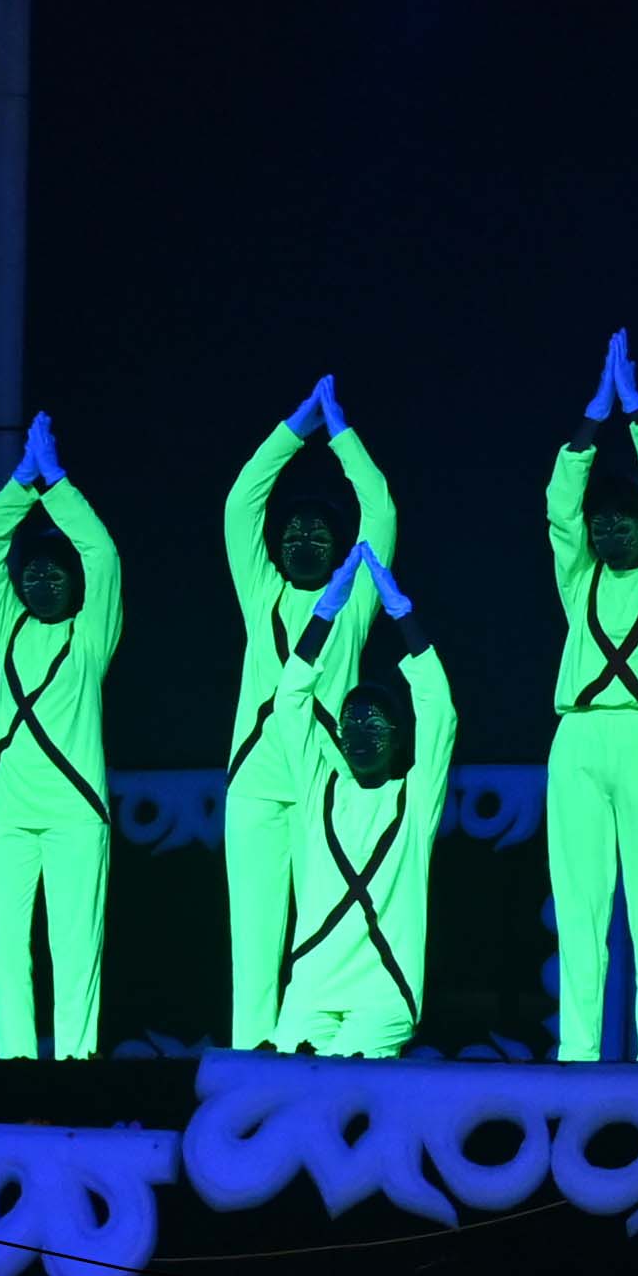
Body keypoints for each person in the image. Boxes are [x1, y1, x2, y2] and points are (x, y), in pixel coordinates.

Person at [222, 374, 396, 1048]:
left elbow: (379, 511)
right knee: (254, 944)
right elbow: (242, 502)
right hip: (254, 786)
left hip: (324, 786)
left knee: (322, 935)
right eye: (292, 531)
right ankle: (249, 1062)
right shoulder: (260, 591)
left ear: (339, 548)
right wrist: (295, 429)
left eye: (318, 533)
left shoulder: (352, 603)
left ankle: (315, 1058)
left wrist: (341, 433)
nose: (302, 540)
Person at [546, 332, 638, 1062]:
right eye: (600, 520)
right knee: (578, 911)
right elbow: (558, 506)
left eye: (621, 518)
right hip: (577, 738)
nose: (608, 527)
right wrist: (591, 417)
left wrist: (637, 414)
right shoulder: (579, 581)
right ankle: (577, 1054)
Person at [0, 412, 123, 1059]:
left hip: (74, 814)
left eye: (54, 572)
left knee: (75, 948)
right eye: (30, 572)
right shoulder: (6, 626)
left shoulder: (90, 637)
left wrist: (55, 483)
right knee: (4, 949)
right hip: (5, 812)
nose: (40, 581)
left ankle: (75, 1062)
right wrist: (20, 483)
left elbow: (102, 554)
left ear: (74, 583)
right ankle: (15, 1064)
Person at [269, 543, 451, 1058]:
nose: (358, 734)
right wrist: (324, 612)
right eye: (350, 724)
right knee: (283, 1087)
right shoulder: (321, 791)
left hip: (383, 992)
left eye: (374, 725)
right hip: (312, 985)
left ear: (397, 737)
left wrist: (404, 616)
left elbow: (439, 710)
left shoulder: (413, 800)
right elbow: (290, 703)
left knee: (344, 1087)